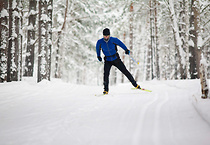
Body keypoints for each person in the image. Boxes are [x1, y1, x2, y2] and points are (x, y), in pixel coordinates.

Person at [96, 28, 141, 94]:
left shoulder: (113, 40)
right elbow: (97, 49)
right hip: (107, 60)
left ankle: (135, 84)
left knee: (125, 71)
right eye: (105, 36)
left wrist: (126, 49)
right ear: (103, 35)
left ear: (109, 35)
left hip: (116, 59)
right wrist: (98, 56)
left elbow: (121, 44)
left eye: (107, 35)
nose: (106, 37)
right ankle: (106, 90)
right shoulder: (100, 42)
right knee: (106, 74)